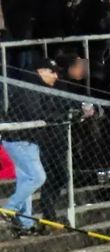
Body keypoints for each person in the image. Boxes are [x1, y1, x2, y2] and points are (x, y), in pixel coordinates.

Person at [1, 59, 72, 235]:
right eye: (52, 72)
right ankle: (8, 209)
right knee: (37, 178)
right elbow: (36, 114)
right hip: (20, 140)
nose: (56, 76)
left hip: (25, 141)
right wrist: (58, 118)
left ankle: (24, 223)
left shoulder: (39, 88)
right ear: (40, 71)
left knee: (26, 180)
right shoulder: (30, 88)